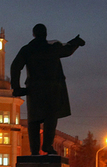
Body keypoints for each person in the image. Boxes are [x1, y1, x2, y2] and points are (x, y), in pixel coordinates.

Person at [10, 24, 85, 155]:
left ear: (33, 34)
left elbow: (15, 67)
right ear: (45, 34)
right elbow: (67, 50)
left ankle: (34, 150)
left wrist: (16, 87)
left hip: (34, 89)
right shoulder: (52, 48)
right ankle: (47, 146)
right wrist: (76, 42)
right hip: (52, 88)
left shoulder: (27, 50)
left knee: (33, 121)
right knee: (51, 117)